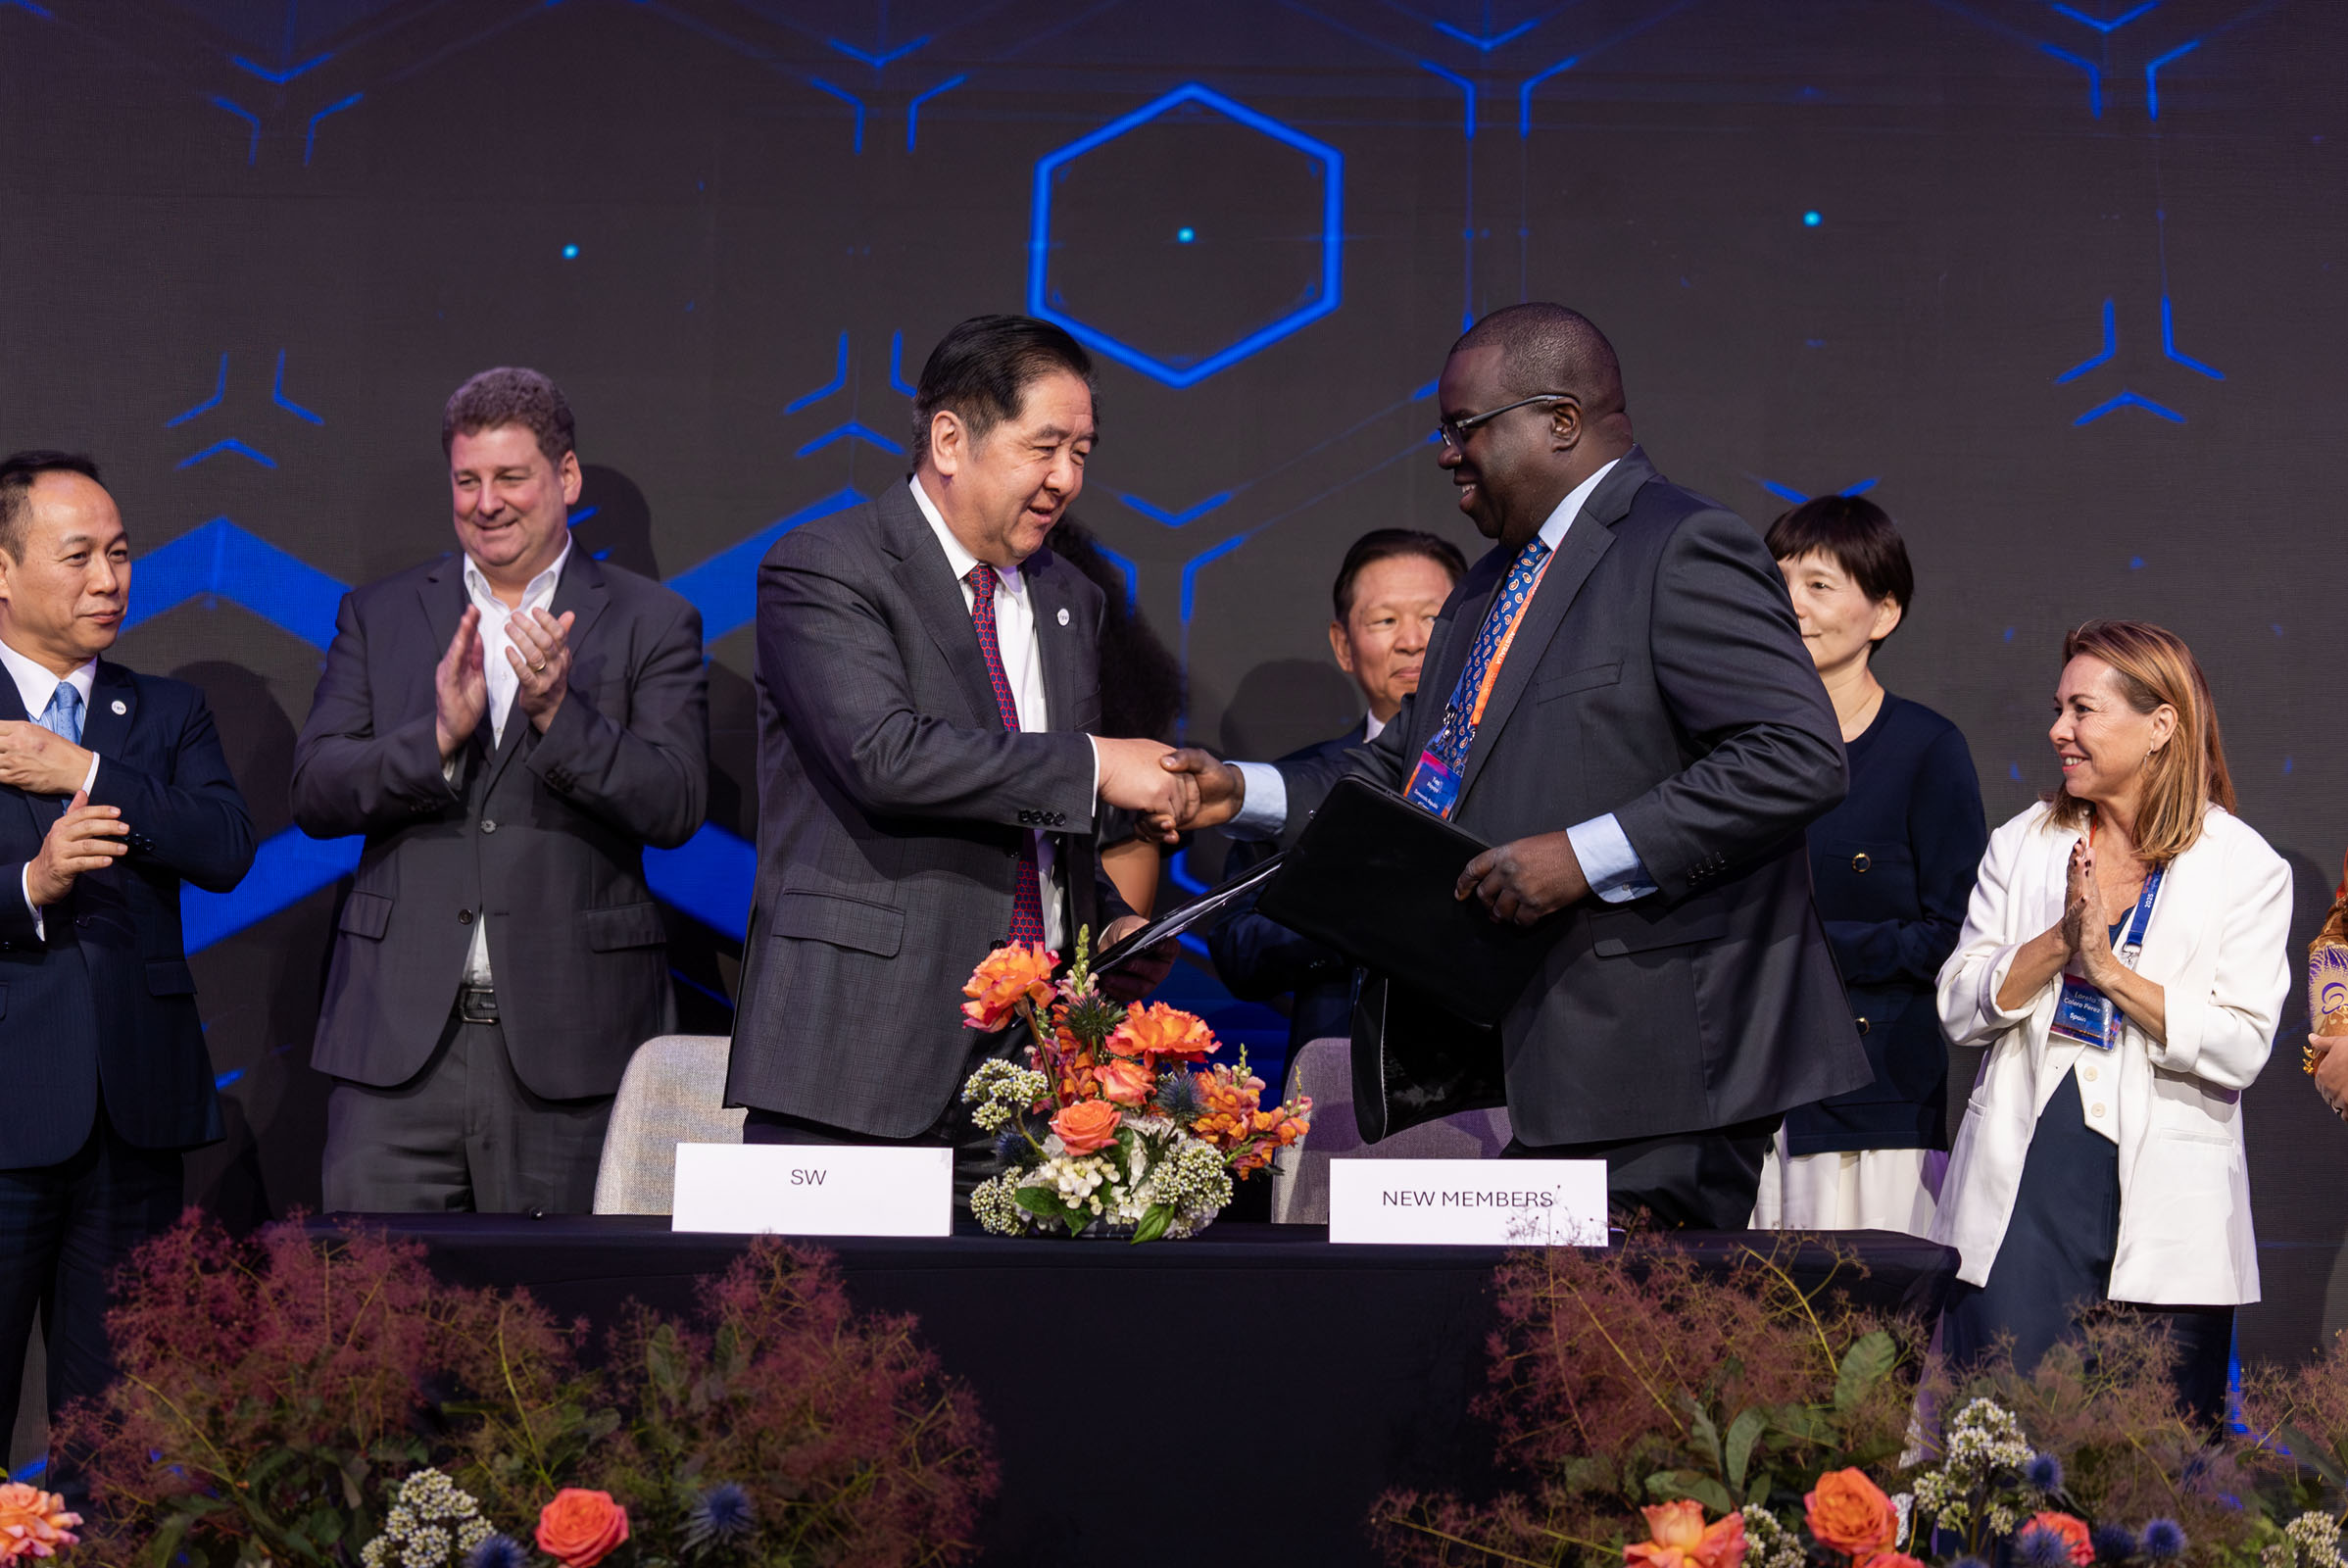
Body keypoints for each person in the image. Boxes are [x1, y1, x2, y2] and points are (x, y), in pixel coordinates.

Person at [1165, 303, 1869, 1230]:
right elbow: (1402, 775)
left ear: (1560, 421)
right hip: (1550, 1062)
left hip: (1672, 1065)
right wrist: (1239, 792)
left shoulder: (1680, 544)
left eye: (1464, 428)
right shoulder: (1486, 588)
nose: (1448, 455)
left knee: (1628, 1322)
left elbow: (1795, 755)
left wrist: (1583, 854)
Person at [725, 315, 1185, 1186]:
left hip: (1032, 1070)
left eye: (1081, 452)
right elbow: (885, 756)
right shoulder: (826, 566)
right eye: (1044, 447)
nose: (1066, 478)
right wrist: (1097, 763)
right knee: (825, 1284)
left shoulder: (1070, 599)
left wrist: (1106, 924)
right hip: (857, 1050)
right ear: (949, 439)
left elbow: (1036, 824)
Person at [293, 368, 709, 1214]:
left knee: (564, 1300)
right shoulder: (378, 615)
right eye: (467, 480)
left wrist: (560, 715)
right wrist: (436, 740)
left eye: (510, 477)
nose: (486, 504)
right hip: (396, 1055)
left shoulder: (653, 621)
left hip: (572, 1052)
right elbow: (315, 789)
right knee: (370, 1296)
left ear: (567, 477)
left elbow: (674, 805)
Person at [1933, 619, 2288, 1427]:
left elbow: (2241, 1045)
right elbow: (1958, 1003)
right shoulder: (2024, 844)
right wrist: (2060, 942)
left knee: (2150, 1459)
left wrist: (2111, 971)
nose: (2059, 730)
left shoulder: (2244, 867)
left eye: (2083, 710)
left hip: (2168, 1202)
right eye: (2059, 709)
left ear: (2161, 724)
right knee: (2002, 1438)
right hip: (2026, 1188)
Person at [0, 453, 255, 1482]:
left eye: (120, 553)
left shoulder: (165, 712)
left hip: (133, 1119)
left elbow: (224, 846)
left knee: (110, 1440)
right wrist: (31, 882)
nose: (109, 579)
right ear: (4, 569)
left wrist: (87, 770)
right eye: (79, 557)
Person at [1748, 497, 1986, 1237]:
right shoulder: (1727, 746)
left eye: (1819, 585)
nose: (1792, 603)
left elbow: (1957, 935)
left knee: (1865, 1307)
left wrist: (1804, 950)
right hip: (1739, 1099)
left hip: (1870, 1103)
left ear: (1884, 614)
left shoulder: (1925, 748)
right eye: (1778, 580)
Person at [1208, 528, 1468, 1056]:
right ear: (1344, 645)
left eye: (1432, 617)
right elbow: (1238, 951)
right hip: (1337, 1073)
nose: (1411, 640)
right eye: (1385, 621)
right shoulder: (1293, 786)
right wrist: (1353, 921)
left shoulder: (1516, 764)